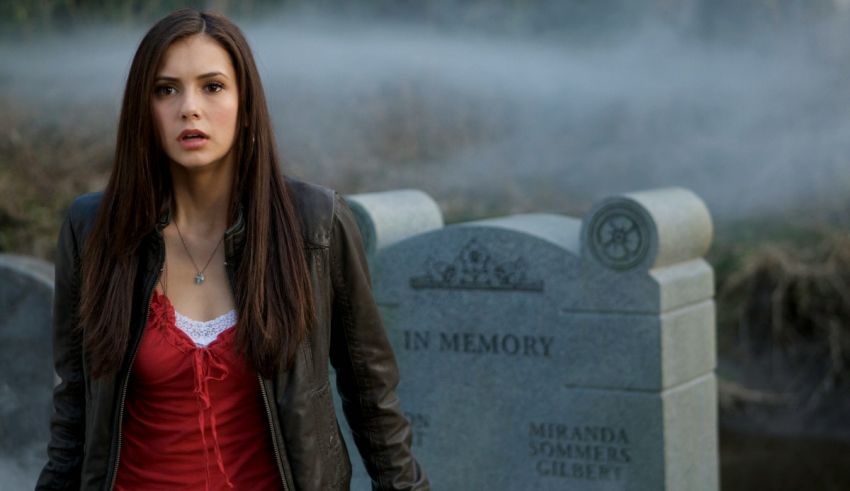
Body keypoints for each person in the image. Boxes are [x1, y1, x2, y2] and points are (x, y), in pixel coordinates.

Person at [36, 8, 428, 490]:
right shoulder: (93, 230)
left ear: (246, 104)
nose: (189, 108)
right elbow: (73, 406)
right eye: (166, 89)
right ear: (144, 110)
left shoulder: (315, 225)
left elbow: (373, 400)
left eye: (213, 86)